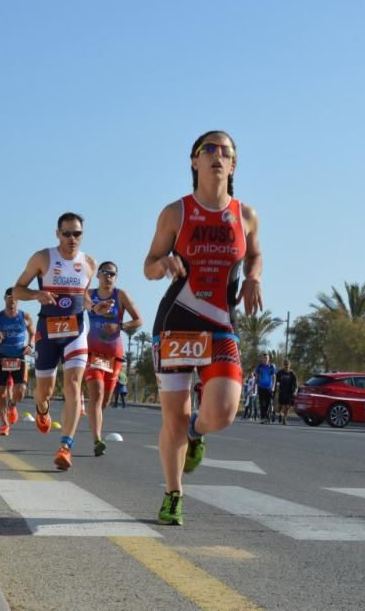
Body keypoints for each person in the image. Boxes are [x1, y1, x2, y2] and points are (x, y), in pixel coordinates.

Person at [144, 130, 263, 526]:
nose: (217, 155)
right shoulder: (175, 213)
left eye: (225, 151)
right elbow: (149, 264)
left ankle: (197, 432)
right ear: (194, 162)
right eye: (208, 149)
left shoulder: (245, 216)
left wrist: (254, 277)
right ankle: (173, 495)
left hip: (220, 326)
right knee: (172, 419)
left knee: (224, 412)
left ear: (233, 165)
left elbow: (256, 255)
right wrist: (163, 266)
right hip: (176, 324)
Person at [13, 212, 101, 469]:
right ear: (57, 234)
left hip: (75, 331)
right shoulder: (43, 258)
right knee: (45, 392)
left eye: (77, 233)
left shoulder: (89, 263)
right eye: (67, 233)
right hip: (48, 332)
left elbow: (83, 297)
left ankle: (66, 446)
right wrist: (37, 293)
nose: (72, 238)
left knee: (73, 385)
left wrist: (95, 308)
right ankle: (42, 410)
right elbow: (17, 289)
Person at [84, 261, 142, 456]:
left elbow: (138, 320)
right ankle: (96, 439)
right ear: (98, 276)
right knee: (97, 393)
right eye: (104, 273)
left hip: (113, 354)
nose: (108, 276)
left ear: (115, 277)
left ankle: (95, 419)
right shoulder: (89, 295)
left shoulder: (121, 295)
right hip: (92, 352)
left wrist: (120, 327)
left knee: (105, 400)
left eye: (112, 274)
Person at [0, 287, 36, 435]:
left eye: (14, 297)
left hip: (19, 357)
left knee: (20, 391)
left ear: (18, 299)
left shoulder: (25, 317)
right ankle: (4, 424)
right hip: (2, 358)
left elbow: (33, 333)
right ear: (5, 298)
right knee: (0, 393)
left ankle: (12, 405)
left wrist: (30, 345)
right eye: (9, 297)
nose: (12, 300)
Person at [274, 360, 298, 425]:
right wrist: (277, 389)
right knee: (280, 406)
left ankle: (284, 419)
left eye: (287, 364)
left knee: (287, 406)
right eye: (285, 364)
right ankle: (280, 414)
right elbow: (277, 381)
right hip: (281, 391)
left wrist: (295, 391)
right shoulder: (280, 373)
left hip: (289, 392)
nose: (286, 365)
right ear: (283, 365)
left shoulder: (292, 374)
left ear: (290, 365)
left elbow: (295, 384)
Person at [255, 354, 276, 423]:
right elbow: (257, 377)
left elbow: (274, 377)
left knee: (267, 403)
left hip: (269, 387)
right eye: (264, 358)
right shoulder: (259, 366)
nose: (265, 359)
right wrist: (256, 385)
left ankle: (266, 416)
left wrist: (273, 386)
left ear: (268, 359)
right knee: (261, 403)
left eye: (266, 358)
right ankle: (263, 417)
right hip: (261, 387)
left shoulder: (271, 366)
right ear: (262, 359)